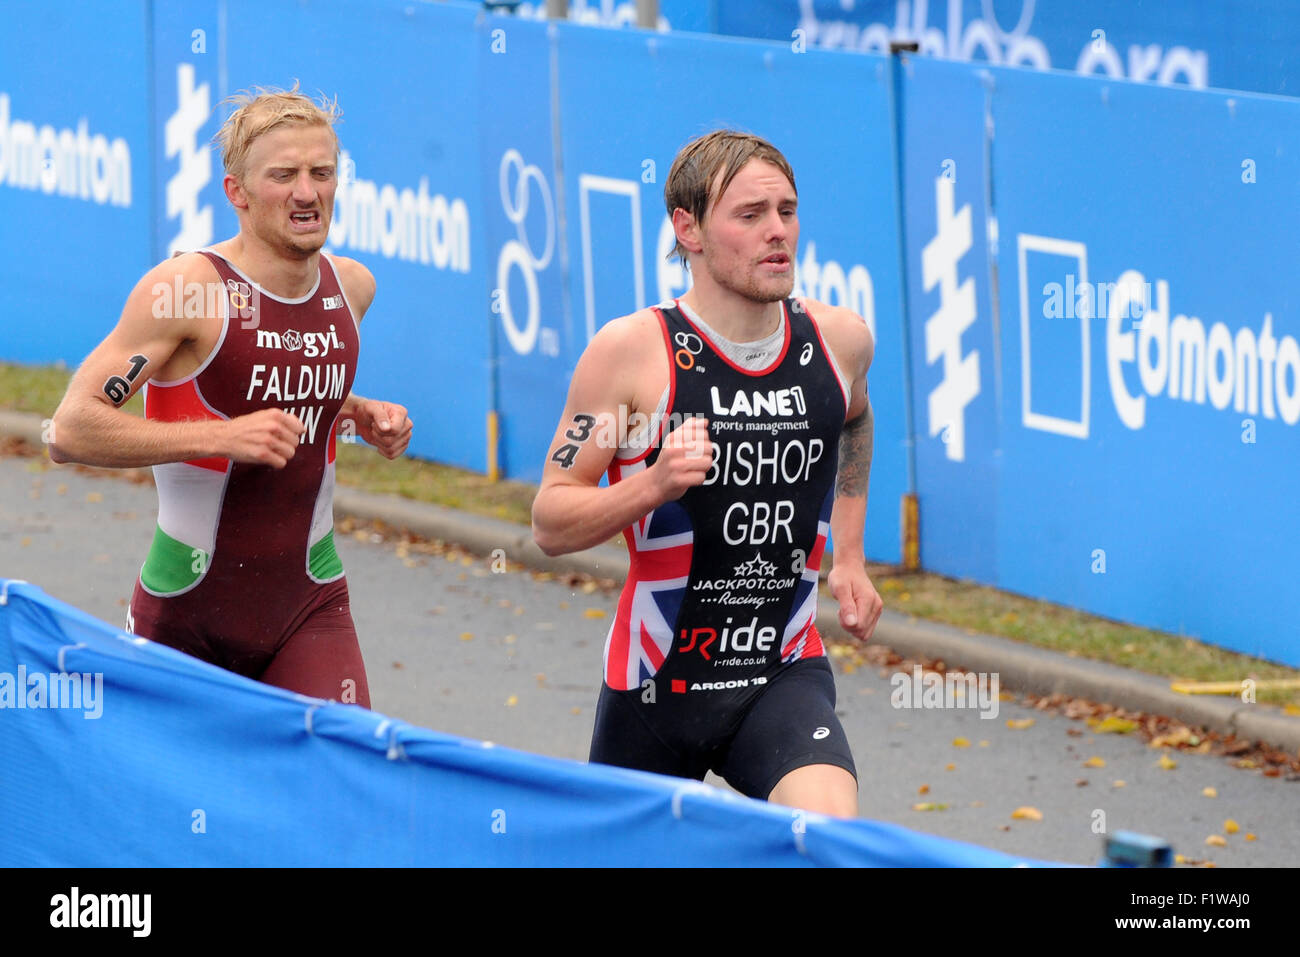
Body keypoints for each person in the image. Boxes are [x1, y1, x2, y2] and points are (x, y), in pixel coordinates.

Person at [532, 129, 882, 816]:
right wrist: (652, 485)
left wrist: (852, 554)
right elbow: (549, 518)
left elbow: (855, 417)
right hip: (657, 683)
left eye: (787, 210)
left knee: (827, 831)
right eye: (750, 215)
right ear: (687, 229)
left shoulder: (839, 341)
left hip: (781, 671)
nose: (777, 232)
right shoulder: (633, 354)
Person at [49, 85, 412, 709]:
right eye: (284, 176)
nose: (307, 192)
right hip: (188, 609)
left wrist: (357, 411)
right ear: (236, 193)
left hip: (311, 601)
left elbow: (268, 379)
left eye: (321, 173)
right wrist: (219, 437)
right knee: (171, 806)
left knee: (338, 788)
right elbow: (69, 431)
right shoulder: (188, 289)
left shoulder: (352, 287)